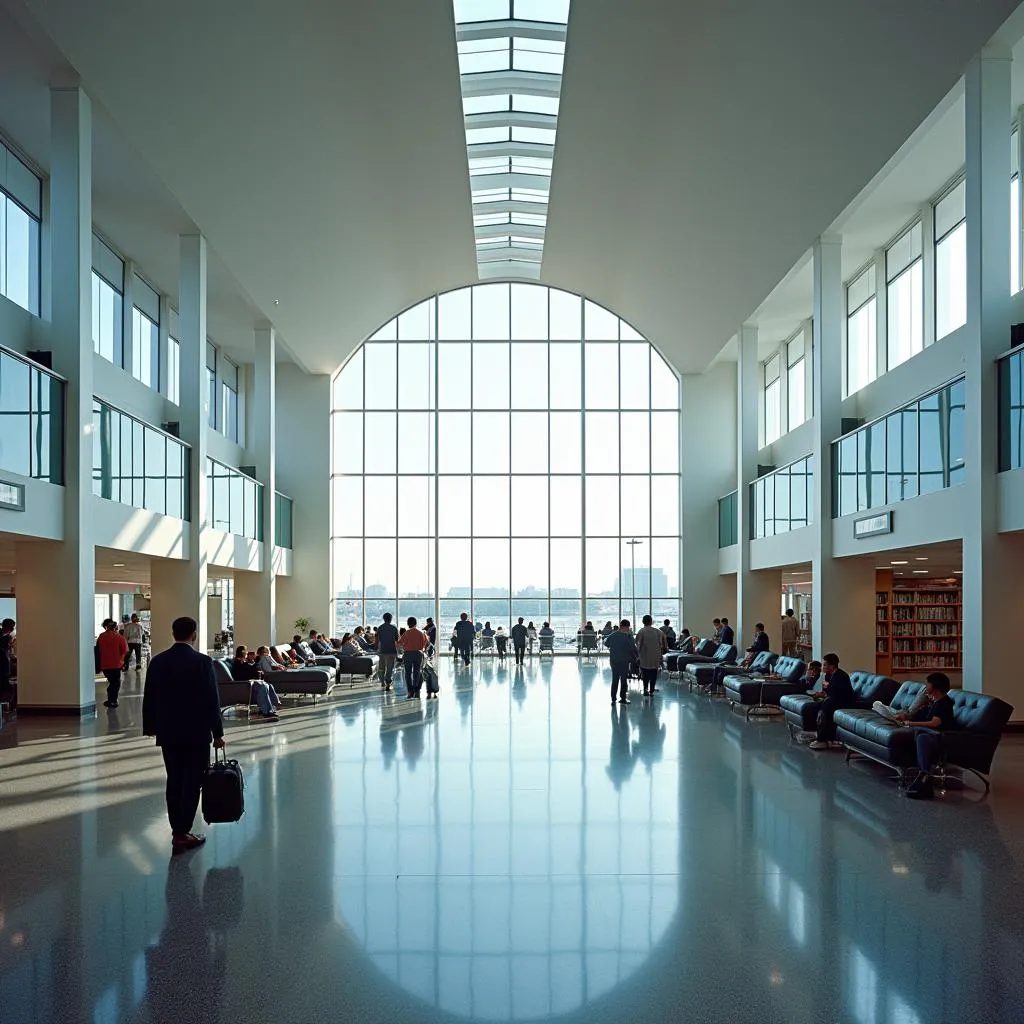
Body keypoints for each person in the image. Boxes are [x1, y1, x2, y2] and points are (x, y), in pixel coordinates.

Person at [142, 616, 225, 854]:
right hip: (196, 733)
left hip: (168, 733)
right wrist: (217, 733)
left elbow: (150, 697)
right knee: (193, 782)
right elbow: (212, 701)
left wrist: (151, 727)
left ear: (172, 633)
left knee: (174, 780)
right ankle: (182, 832)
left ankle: (177, 830)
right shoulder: (202, 662)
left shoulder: (158, 662)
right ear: (194, 635)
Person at [904, 673, 958, 800]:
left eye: (927, 684)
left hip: (941, 737)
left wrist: (910, 724)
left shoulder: (944, 703)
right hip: (933, 735)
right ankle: (923, 776)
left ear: (935, 687)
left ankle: (924, 775)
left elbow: (935, 723)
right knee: (920, 735)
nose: (925, 686)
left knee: (922, 738)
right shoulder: (934, 702)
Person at [808, 652, 856, 750]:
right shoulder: (828, 675)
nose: (822, 667)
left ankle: (823, 739)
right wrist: (820, 694)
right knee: (810, 707)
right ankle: (816, 735)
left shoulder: (841, 676)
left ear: (832, 666)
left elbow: (839, 694)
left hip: (843, 702)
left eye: (824, 665)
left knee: (826, 707)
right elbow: (828, 691)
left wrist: (825, 696)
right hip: (832, 700)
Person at [231, 645, 282, 718]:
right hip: (246, 683)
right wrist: (254, 669)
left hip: (250, 680)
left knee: (268, 685)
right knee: (263, 686)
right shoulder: (239, 662)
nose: (247, 652)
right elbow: (241, 675)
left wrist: (254, 668)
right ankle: (267, 711)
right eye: (246, 651)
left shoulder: (243, 662)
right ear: (243, 652)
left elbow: (248, 670)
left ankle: (270, 707)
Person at [604, 620, 638, 705]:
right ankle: (623, 698)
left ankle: (613, 698)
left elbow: (606, 643)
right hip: (624, 661)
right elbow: (632, 648)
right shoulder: (628, 636)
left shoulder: (613, 635)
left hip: (614, 660)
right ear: (627, 627)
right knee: (623, 679)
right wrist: (636, 657)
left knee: (615, 680)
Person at [97, 618, 129, 709]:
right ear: (115, 627)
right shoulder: (119, 637)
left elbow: (98, 651)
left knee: (112, 682)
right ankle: (113, 701)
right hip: (116, 664)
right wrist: (123, 662)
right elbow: (125, 651)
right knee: (115, 683)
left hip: (105, 664)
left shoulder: (101, 636)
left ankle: (110, 700)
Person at [398, 617, 430, 699]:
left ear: (408, 624)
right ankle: (417, 690)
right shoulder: (421, 633)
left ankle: (410, 691)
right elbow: (426, 643)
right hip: (418, 654)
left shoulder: (406, 633)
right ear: (415, 623)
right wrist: (422, 648)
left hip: (408, 654)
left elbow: (400, 643)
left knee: (407, 673)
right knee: (417, 672)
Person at [636, 614, 667, 697]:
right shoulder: (657, 631)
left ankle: (645, 689)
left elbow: (638, 644)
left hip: (644, 655)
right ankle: (651, 690)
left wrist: (637, 655)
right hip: (655, 655)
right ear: (651, 622)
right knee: (654, 673)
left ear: (643, 622)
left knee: (645, 673)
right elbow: (662, 643)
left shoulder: (641, 631)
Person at [376, 612, 399, 691]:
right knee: (390, 667)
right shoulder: (394, 628)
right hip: (391, 650)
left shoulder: (380, 628)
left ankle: (382, 682)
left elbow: (377, 640)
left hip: (382, 650)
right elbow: (397, 639)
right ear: (391, 619)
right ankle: (388, 683)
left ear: (383, 619)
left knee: (382, 667)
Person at [0, 617, 16, 712]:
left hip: (4, 666)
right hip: (3, 666)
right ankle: (8, 705)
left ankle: (8, 705)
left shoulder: (5, 636)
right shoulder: (4, 637)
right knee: (6, 684)